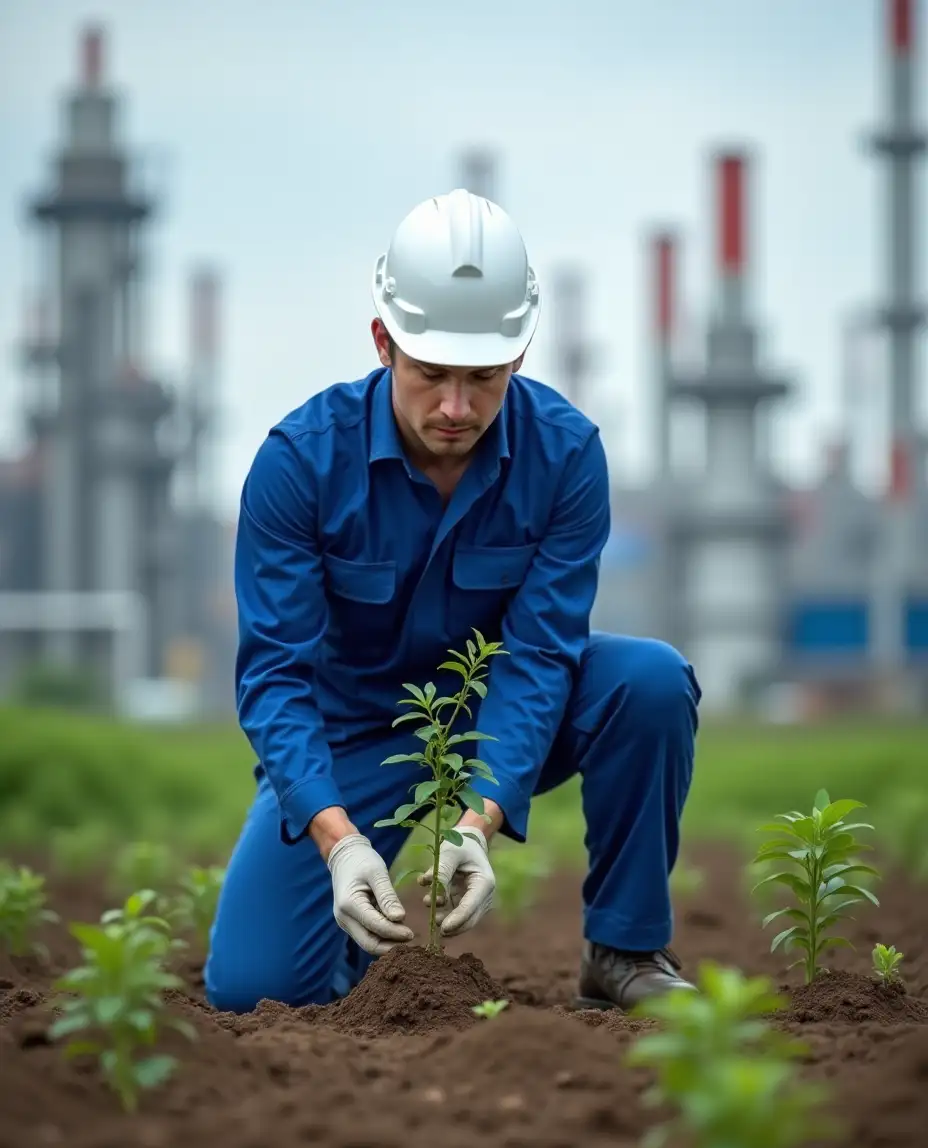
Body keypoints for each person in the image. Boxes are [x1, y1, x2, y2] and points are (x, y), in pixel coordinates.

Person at [204, 187, 702, 1015]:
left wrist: (479, 819)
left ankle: (624, 948)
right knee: (256, 990)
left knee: (647, 681)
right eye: (431, 374)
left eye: (484, 378)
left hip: (501, 716)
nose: (456, 408)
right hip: (353, 730)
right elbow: (274, 677)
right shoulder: (300, 464)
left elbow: (543, 652)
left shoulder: (567, 456)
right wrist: (336, 841)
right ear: (383, 342)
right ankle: (362, 966)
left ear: (521, 351)